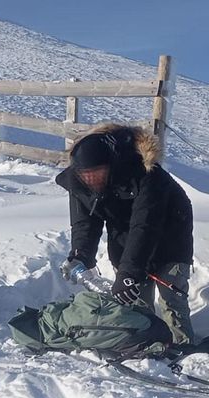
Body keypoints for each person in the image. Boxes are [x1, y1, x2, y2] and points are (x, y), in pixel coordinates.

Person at [56, 124, 195, 345]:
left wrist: (129, 273)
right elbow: (85, 223)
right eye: (86, 176)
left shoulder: (148, 175)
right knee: (136, 303)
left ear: (111, 164)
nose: (92, 180)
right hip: (124, 239)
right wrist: (80, 255)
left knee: (172, 301)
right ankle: (148, 345)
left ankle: (184, 347)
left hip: (170, 239)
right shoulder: (80, 183)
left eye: (97, 173)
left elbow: (145, 227)